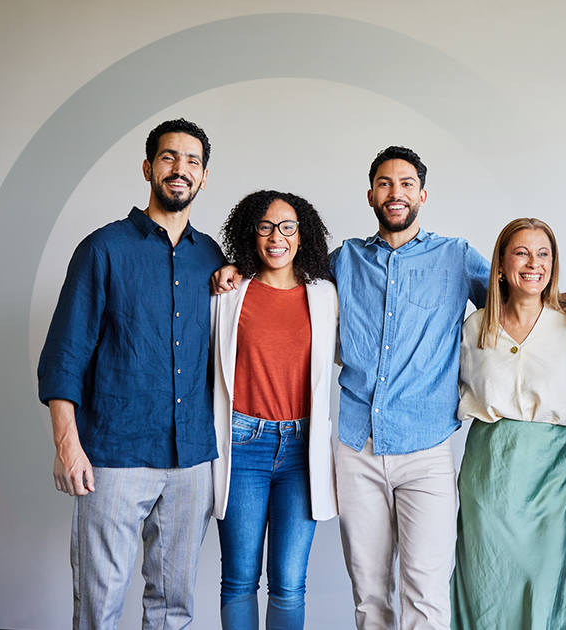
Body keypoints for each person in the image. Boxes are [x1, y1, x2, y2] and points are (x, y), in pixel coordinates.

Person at [211, 146, 489, 630]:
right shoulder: (343, 263)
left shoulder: (457, 257)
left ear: (422, 193)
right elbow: (285, 281)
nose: (395, 193)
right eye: (385, 183)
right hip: (355, 448)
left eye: (406, 184)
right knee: (368, 595)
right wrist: (233, 269)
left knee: (426, 595)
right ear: (370, 195)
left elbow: (517, 301)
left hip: (425, 448)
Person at [38, 118, 225, 629]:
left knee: (174, 607)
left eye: (191, 161)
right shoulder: (103, 249)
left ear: (204, 177)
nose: (179, 169)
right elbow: (64, 355)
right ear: (148, 168)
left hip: (191, 461)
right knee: (99, 607)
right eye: (168, 158)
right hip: (114, 455)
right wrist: (67, 444)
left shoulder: (211, 257)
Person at [450, 218, 566, 630]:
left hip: (550, 466)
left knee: (544, 578)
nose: (534, 263)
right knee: (483, 579)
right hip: (488, 467)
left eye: (543, 253)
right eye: (522, 253)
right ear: (500, 265)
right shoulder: (475, 328)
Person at [211, 190, 339, 629]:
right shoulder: (229, 291)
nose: (276, 236)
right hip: (243, 445)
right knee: (240, 579)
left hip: (302, 452)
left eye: (287, 227)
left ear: (302, 236)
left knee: (288, 582)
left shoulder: (325, 296)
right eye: (265, 226)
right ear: (252, 233)